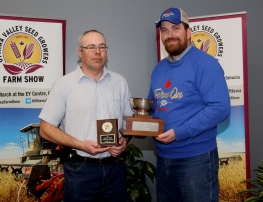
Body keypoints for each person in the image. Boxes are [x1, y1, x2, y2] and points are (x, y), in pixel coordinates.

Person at [39, 29, 133, 202]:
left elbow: (129, 122)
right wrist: (81, 145)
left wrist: (124, 141)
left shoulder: (120, 82)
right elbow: (45, 129)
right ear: (80, 52)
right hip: (80, 169)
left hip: (115, 168)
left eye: (102, 47)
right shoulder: (64, 85)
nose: (97, 52)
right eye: (91, 47)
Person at [148, 7, 231, 202]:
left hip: (196, 160)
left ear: (188, 32)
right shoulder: (158, 69)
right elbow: (153, 107)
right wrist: (138, 123)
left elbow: (220, 107)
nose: (170, 35)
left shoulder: (205, 64)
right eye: (165, 30)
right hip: (164, 158)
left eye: (175, 28)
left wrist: (179, 132)